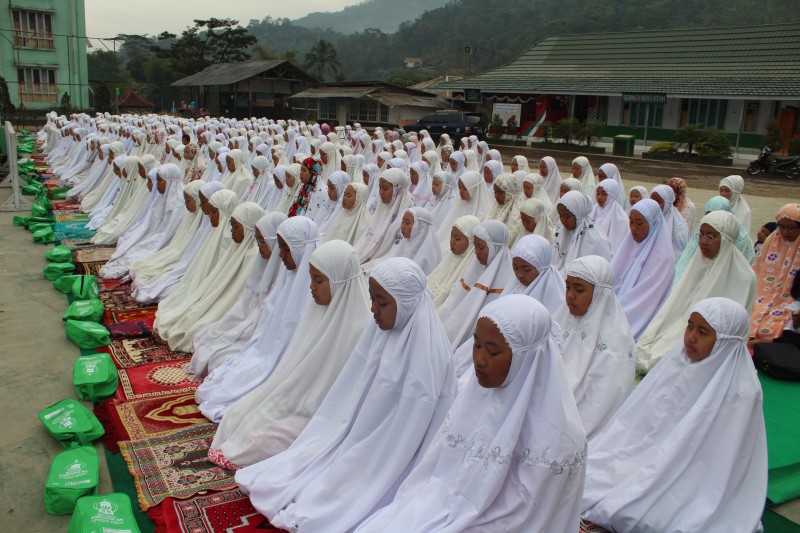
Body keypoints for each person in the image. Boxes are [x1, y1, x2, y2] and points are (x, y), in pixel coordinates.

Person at [235, 258, 456, 533]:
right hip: (361, 435)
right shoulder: (384, 331)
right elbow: (356, 393)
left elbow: (405, 434)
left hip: (390, 451)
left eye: (382, 303)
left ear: (407, 303)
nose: (373, 310)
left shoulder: (427, 355)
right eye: (372, 299)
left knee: (335, 496)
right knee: (311, 472)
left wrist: (361, 451)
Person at [356, 295, 587, 533]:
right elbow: (437, 474)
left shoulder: (559, 439)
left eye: (493, 352)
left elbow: (524, 517)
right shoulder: (472, 398)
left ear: (527, 357)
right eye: (476, 346)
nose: (479, 360)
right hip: (447, 504)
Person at [581, 298, 767, 533]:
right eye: (689, 326)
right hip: (649, 453)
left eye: (703, 332)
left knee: (648, 514)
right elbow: (641, 424)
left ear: (727, 342)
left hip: (698, 476)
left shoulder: (742, 392)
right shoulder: (678, 362)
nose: (690, 337)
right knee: (591, 477)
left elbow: (722, 461)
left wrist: (666, 462)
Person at [207, 240, 372, 468]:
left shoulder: (360, 328)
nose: (311, 287)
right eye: (311, 278)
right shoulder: (319, 310)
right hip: (299, 399)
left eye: (319, 280)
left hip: (324, 413)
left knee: (264, 437)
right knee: (238, 415)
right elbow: (295, 371)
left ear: (339, 281)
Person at [197, 216, 320, 422]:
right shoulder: (288, 277)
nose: (280, 255)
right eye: (279, 247)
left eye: (286, 249)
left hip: (288, 362)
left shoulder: (315, 289)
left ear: (302, 248)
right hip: (266, 352)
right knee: (231, 372)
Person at [637, 211, 757, 373]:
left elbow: (734, 327)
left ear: (726, 239)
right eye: (701, 234)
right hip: (686, 327)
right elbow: (678, 306)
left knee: (669, 360)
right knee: (650, 350)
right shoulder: (698, 262)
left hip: (714, 340)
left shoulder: (744, 276)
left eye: (711, 236)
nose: (703, 241)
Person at [189, 212, 287, 378]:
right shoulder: (260, 261)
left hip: (263, 335)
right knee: (210, 340)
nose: (258, 246)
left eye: (262, 241)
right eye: (257, 240)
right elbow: (245, 305)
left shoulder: (285, 271)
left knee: (223, 359)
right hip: (249, 324)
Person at [161, 202, 266, 352]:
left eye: (235, 227)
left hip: (236, 311)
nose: (231, 231)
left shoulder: (254, 256)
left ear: (249, 228)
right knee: (191, 316)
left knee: (202, 326)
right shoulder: (237, 248)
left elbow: (238, 297)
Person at [553, 256, 635, 438]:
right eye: (568, 287)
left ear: (599, 293)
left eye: (579, 289)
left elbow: (600, 402)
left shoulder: (615, 342)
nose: (570, 295)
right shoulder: (563, 319)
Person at [438, 220, 513, 349]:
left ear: (495, 248)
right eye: (475, 246)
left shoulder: (507, 280)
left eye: (481, 247)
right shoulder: (476, 267)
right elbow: (455, 301)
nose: (476, 251)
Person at [611, 199, 675, 340]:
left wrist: (613, 311)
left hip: (639, 315)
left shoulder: (663, 259)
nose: (633, 228)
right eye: (631, 222)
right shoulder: (629, 244)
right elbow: (614, 278)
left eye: (639, 223)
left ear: (653, 224)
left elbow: (644, 300)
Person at [674, 195, 755, 283]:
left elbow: (742, 274)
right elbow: (686, 262)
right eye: (709, 215)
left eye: (711, 236)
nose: (703, 241)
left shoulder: (741, 240)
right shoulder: (701, 229)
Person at [750, 203, 800, 342]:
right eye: (781, 226)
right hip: (764, 294)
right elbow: (757, 270)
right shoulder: (772, 240)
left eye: (790, 227)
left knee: (781, 324)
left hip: (790, 298)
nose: (785, 232)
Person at [353, 167, 413, 263]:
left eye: (385, 188)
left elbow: (398, 251)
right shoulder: (382, 209)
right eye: (380, 188)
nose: (381, 192)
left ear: (397, 189)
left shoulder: (407, 217)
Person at [552, 191, 612, 274]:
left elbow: (598, 273)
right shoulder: (561, 232)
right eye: (560, 215)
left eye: (567, 216)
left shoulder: (596, 240)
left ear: (578, 214)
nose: (563, 220)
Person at [427, 215, 481, 307]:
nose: (452, 241)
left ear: (471, 241)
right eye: (451, 236)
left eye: (457, 238)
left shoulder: (471, 269)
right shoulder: (449, 259)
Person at [435, 170, 492, 250]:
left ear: (474, 188)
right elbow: (447, 225)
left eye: (465, 188)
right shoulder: (458, 203)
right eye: (460, 188)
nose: (461, 191)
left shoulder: (484, 211)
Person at [650, 183, 689, 259]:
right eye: (652, 201)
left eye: (658, 201)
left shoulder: (678, 225)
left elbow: (679, 254)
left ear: (667, 203)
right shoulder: (649, 220)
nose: (655, 205)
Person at [486, 172, 524, 246]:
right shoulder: (496, 207)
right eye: (495, 192)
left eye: (500, 193)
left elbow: (511, 239)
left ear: (510, 193)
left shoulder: (518, 215)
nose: (496, 196)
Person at [590, 179, 628, 252]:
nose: (599, 197)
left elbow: (617, 245)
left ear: (612, 195)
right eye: (597, 194)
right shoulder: (592, 211)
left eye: (604, 194)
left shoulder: (620, 218)